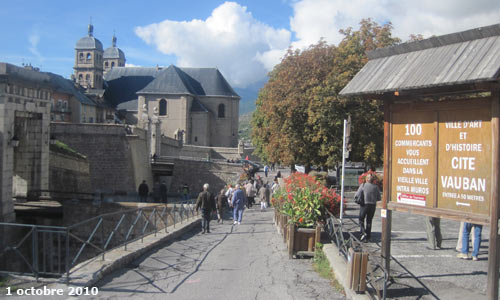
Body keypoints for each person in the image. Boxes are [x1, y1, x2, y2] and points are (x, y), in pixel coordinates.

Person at [355, 174, 381, 242]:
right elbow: (379, 198)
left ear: (366, 179)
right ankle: (368, 236)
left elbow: (357, 195)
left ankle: (363, 233)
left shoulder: (363, 185)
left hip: (364, 205)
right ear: (373, 180)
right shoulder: (376, 187)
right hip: (372, 205)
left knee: (361, 219)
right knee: (369, 221)